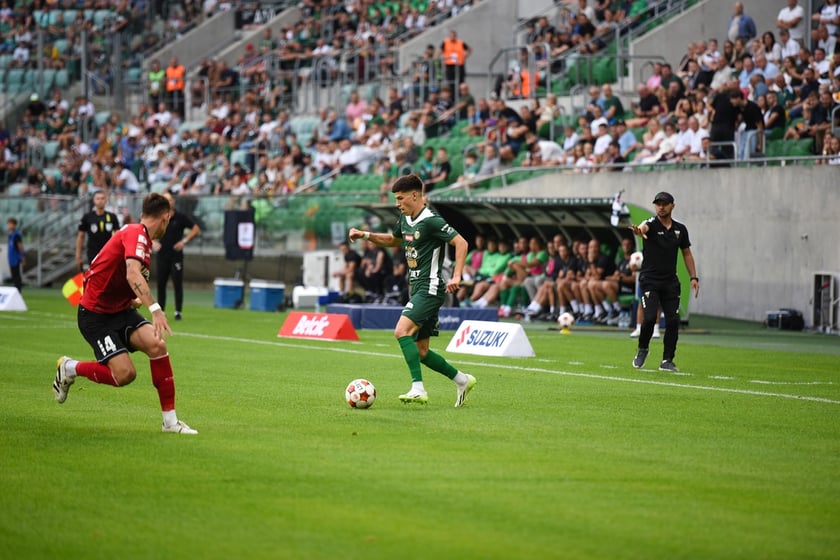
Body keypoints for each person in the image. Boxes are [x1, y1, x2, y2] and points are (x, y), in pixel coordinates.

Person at [53, 193, 198, 434]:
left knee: (157, 345)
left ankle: (170, 422)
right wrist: (155, 308)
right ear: (166, 218)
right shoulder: (135, 233)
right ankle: (70, 367)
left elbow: (122, 275)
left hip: (120, 310)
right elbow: (133, 274)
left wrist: (131, 299)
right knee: (125, 374)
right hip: (95, 316)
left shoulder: (140, 238)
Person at [348, 174, 476, 407]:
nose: (397, 204)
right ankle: (462, 380)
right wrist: (366, 235)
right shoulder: (405, 219)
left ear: (415, 195)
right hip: (416, 287)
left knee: (401, 331)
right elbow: (394, 240)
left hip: (431, 286)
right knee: (423, 351)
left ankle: (418, 388)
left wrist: (457, 275)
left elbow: (461, 242)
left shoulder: (431, 220)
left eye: (400, 198)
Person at [629, 192, 699, 372]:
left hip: (670, 282)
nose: (661, 207)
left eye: (664, 204)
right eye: (658, 204)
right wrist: (639, 230)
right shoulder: (651, 224)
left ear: (672, 206)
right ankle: (642, 349)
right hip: (650, 281)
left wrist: (693, 277)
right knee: (650, 318)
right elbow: (643, 228)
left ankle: (667, 360)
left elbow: (687, 254)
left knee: (673, 321)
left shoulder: (680, 229)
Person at [155, 192, 201, 321]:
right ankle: (161, 310)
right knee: (161, 284)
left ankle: (178, 311)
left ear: (173, 202)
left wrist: (184, 241)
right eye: (165, 200)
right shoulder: (159, 218)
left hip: (176, 256)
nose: (168, 202)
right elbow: (146, 229)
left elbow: (196, 229)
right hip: (162, 255)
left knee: (177, 284)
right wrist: (153, 242)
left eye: (170, 200)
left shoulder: (180, 217)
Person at [76, 191, 120, 270]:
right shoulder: (87, 217)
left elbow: (118, 236)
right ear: (94, 200)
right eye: (98, 198)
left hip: (108, 252)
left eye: (102, 198)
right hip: (93, 252)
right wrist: (78, 256)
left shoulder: (112, 217)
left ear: (106, 200)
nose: (100, 201)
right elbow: (80, 236)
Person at [6, 217, 24, 292]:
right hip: (11, 258)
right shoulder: (11, 235)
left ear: (14, 225)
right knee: (14, 275)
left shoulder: (16, 235)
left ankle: (18, 290)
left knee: (16, 275)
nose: (9, 226)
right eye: (8, 224)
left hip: (16, 258)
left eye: (10, 224)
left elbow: (20, 246)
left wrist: (22, 257)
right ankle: (16, 289)